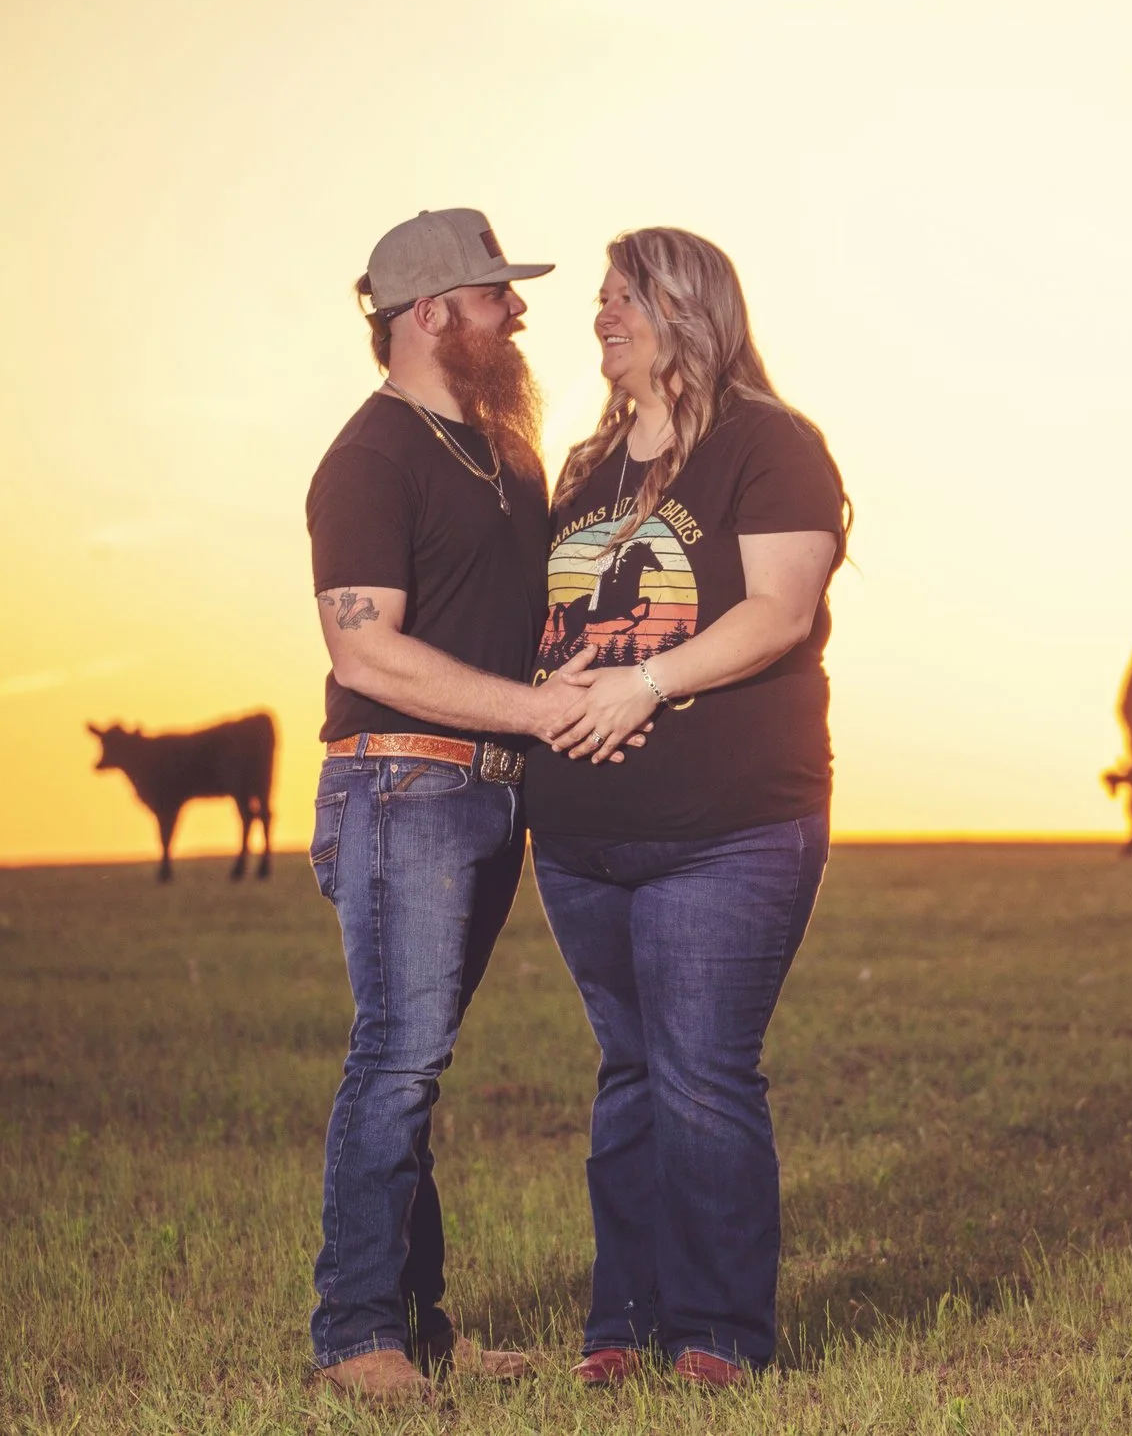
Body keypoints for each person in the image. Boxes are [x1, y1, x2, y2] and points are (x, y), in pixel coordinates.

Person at [524, 226, 849, 1388]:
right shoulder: (582, 472)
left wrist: (645, 680)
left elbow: (778, 609)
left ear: (684, 308)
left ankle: (717, 1334)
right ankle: (622, 1321)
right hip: (578, 836)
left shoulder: (770, 445)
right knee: (627, 1069)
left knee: (702, 1069)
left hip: (729, 826)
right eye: (601, 300)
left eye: (623, 298)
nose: (600, 315)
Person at [302, 207, 601, 1404]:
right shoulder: (369, 459)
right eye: (493, 294)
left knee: (417, 1061)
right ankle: (355, 1336)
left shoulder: (506, 454)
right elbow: (364, 652)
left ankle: (418, 1330)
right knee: (397, 1058)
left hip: (486, 791)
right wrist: (532, 712)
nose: (517, 309)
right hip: (399, 781)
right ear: (429, 314)